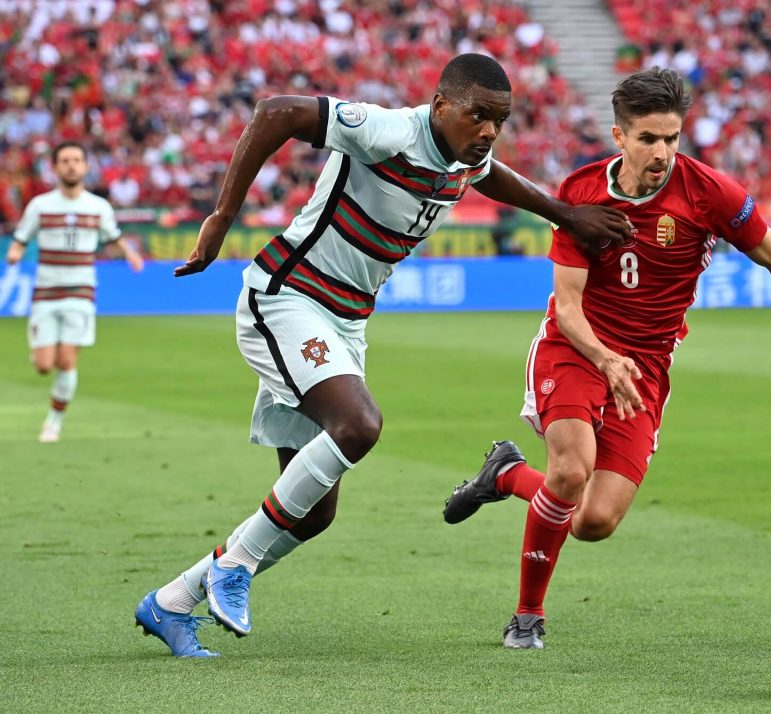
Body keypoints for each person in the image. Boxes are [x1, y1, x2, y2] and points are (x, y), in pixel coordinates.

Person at [133, 53, 634, 658]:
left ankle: (171, 602)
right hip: (288, 297)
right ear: (440, 105)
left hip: (345, 322)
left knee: (312, 513)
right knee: (359, 425)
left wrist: (565, 214)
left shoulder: (464, 155)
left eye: (499, 121)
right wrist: (221, 217)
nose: (489, 131)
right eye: (478, 115)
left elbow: (493, 176)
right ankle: (233, 566)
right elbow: (277, 112)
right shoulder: (387, 131)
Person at [442, 67, 771, 650]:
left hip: (647, 365)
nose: (662, 152)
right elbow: (567, 307)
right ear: (620, 136)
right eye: (649, 138)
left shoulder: (710, 193)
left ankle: (506, 475)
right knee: (570, 470)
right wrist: (604, 358)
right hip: (576, 347)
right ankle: (527, 616)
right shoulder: (581, 192)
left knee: (594, 522)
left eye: (672, 138)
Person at [5, 141, 144, 442]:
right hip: (46, 291)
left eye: (77, 160)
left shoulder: (98, 207)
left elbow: (113, 236)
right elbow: (21, 238)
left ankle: (53, 423)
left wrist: (131, 254)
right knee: (44, 366)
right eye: (65, 160)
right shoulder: (40, 205)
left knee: (67, 361)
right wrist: (15, 252)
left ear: (85, 166)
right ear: (55, 167)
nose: (71, 165)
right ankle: (41, 353)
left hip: (81, 290)